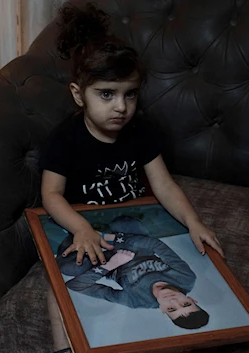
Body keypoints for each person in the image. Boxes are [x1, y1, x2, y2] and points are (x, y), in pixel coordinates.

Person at [40, 4, 223, 351]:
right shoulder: (64, 138)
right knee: (57, 285)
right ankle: (63, 347)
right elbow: (51, 195)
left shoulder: (140, 131)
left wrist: (193, 221)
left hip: (131, 226)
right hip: (84, 229)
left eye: (130, 94)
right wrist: (81, 229)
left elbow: (164, 184)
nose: (121, 107)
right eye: (106, 94)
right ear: (79, 95)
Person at [57, 216, 209, 330]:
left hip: (107, 262)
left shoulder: (136, 301)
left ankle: (75, 232)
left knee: (70, 268)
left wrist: (111, 265)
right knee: (127, 224)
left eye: (171, 309)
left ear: (163, 311)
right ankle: (96, 232)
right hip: (137, 247)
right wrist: (108, 238)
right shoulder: (186, 278)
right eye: (185, 303)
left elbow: (76, 285)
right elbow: (157, 245)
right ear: (193, 300)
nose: (173, 301)